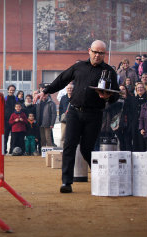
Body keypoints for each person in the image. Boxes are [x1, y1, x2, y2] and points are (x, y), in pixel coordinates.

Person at [34, 40, 119, 193]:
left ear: (104, 54)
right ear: (89, 51)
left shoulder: (109, 72)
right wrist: (45, 91)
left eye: (101, 53)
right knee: (69, 146)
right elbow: (61, 79)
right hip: (74, 112)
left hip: (94, 114)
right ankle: (66, 182)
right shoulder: (79, 67)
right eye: (95, 52)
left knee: (87, 149)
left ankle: (101, 175)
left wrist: (107, 97)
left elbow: (115, 96)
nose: (97, 55)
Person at [114, 85, 135, 151]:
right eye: (120, 89)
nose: (122, 90)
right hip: (118, 124)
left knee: (128, 142)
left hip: (128, 123)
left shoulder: (131, 99)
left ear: (126, 90)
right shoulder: (116, 100)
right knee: (121, 142)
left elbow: (133, 112)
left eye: (123, 89)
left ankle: (129, 158)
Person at [133, 82, 147, 151]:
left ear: (144, 89)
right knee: (136, 144)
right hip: (135, 125)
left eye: (141, 87)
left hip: (145, 125)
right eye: (138, 88)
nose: (139, 89)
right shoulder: (133, 100)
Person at [4, 84, 18, 154]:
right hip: (6, 121)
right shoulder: (5, 99)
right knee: (5, 136)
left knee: (13, 137)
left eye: (13, 90)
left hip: (14, 121)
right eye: (10, 90)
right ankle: (4, 150)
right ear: (8, 90)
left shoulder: (16, 99)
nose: (11, 91)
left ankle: (12, 150)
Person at [59, 83, 73, 147]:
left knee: (72, 135)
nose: (69, 89)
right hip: (64, 120)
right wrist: (60, 117)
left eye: (71, 88)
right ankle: (62, 149)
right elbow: (60, 108)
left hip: (73, 119)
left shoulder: (75, 97)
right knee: (63, 136)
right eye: (68, 88)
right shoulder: (63, 98)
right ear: (66, 89)